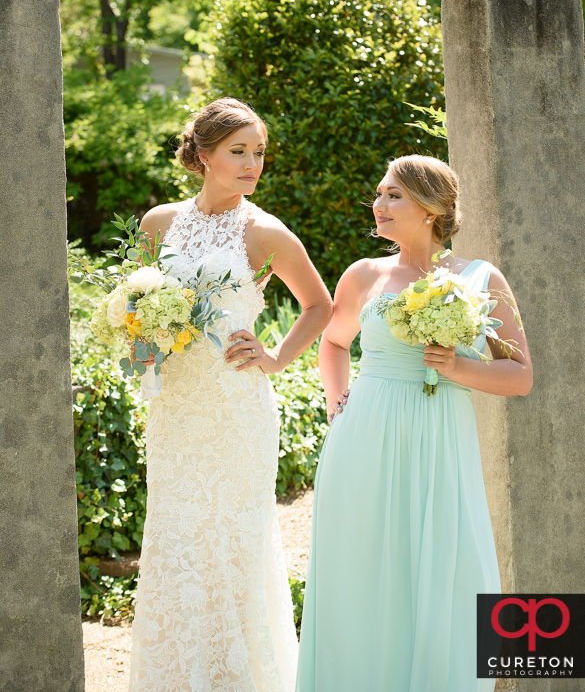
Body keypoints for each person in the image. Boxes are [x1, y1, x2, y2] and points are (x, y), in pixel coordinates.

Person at [296, 154, 532, 692]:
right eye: (379, 194)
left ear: (431, 208)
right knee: (361, 566)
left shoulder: (481, 278)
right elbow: (333, 343)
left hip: (441, 436)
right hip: (366, 437)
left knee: (446, 566)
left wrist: (459, 365)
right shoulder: (364, 275)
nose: (378, 206)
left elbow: (520, 376)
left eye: (393, 195)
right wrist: (340, 411)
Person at [128, 97, 333, 692]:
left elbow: (319, 306)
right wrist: (141, 349)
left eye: (259, 152)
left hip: (235, 409)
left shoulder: (264, 231)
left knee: (233, 537)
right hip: (175, 406)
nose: (252, 164)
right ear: (203, 155)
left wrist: (273, 358)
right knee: (176, 532)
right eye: (238, 152)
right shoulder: (158, 223)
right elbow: (137, 306)